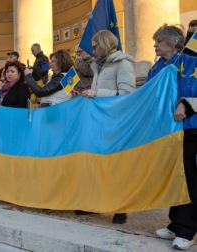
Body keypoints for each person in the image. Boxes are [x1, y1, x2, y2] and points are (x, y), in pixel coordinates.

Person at [148, 24, 197, 251]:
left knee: (189, 179)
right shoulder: (155, 68)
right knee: (174, 177)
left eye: (159, 40)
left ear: (174, 42)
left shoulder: (191, 62)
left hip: (190, 129)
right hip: (167, 133)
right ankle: (176, 224)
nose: (155, 44)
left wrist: (186, 103)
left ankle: (187, 231)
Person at [82, 30, 136, 224]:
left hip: (115, 121)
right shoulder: (98, 65)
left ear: (104, 44)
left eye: (95, 46)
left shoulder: (123, 63)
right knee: (97, 163)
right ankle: (96, 204)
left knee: (116, 165)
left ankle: (121, 207)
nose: (93, 49)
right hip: (100, 121)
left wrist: (97, 93)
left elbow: (127, 94)